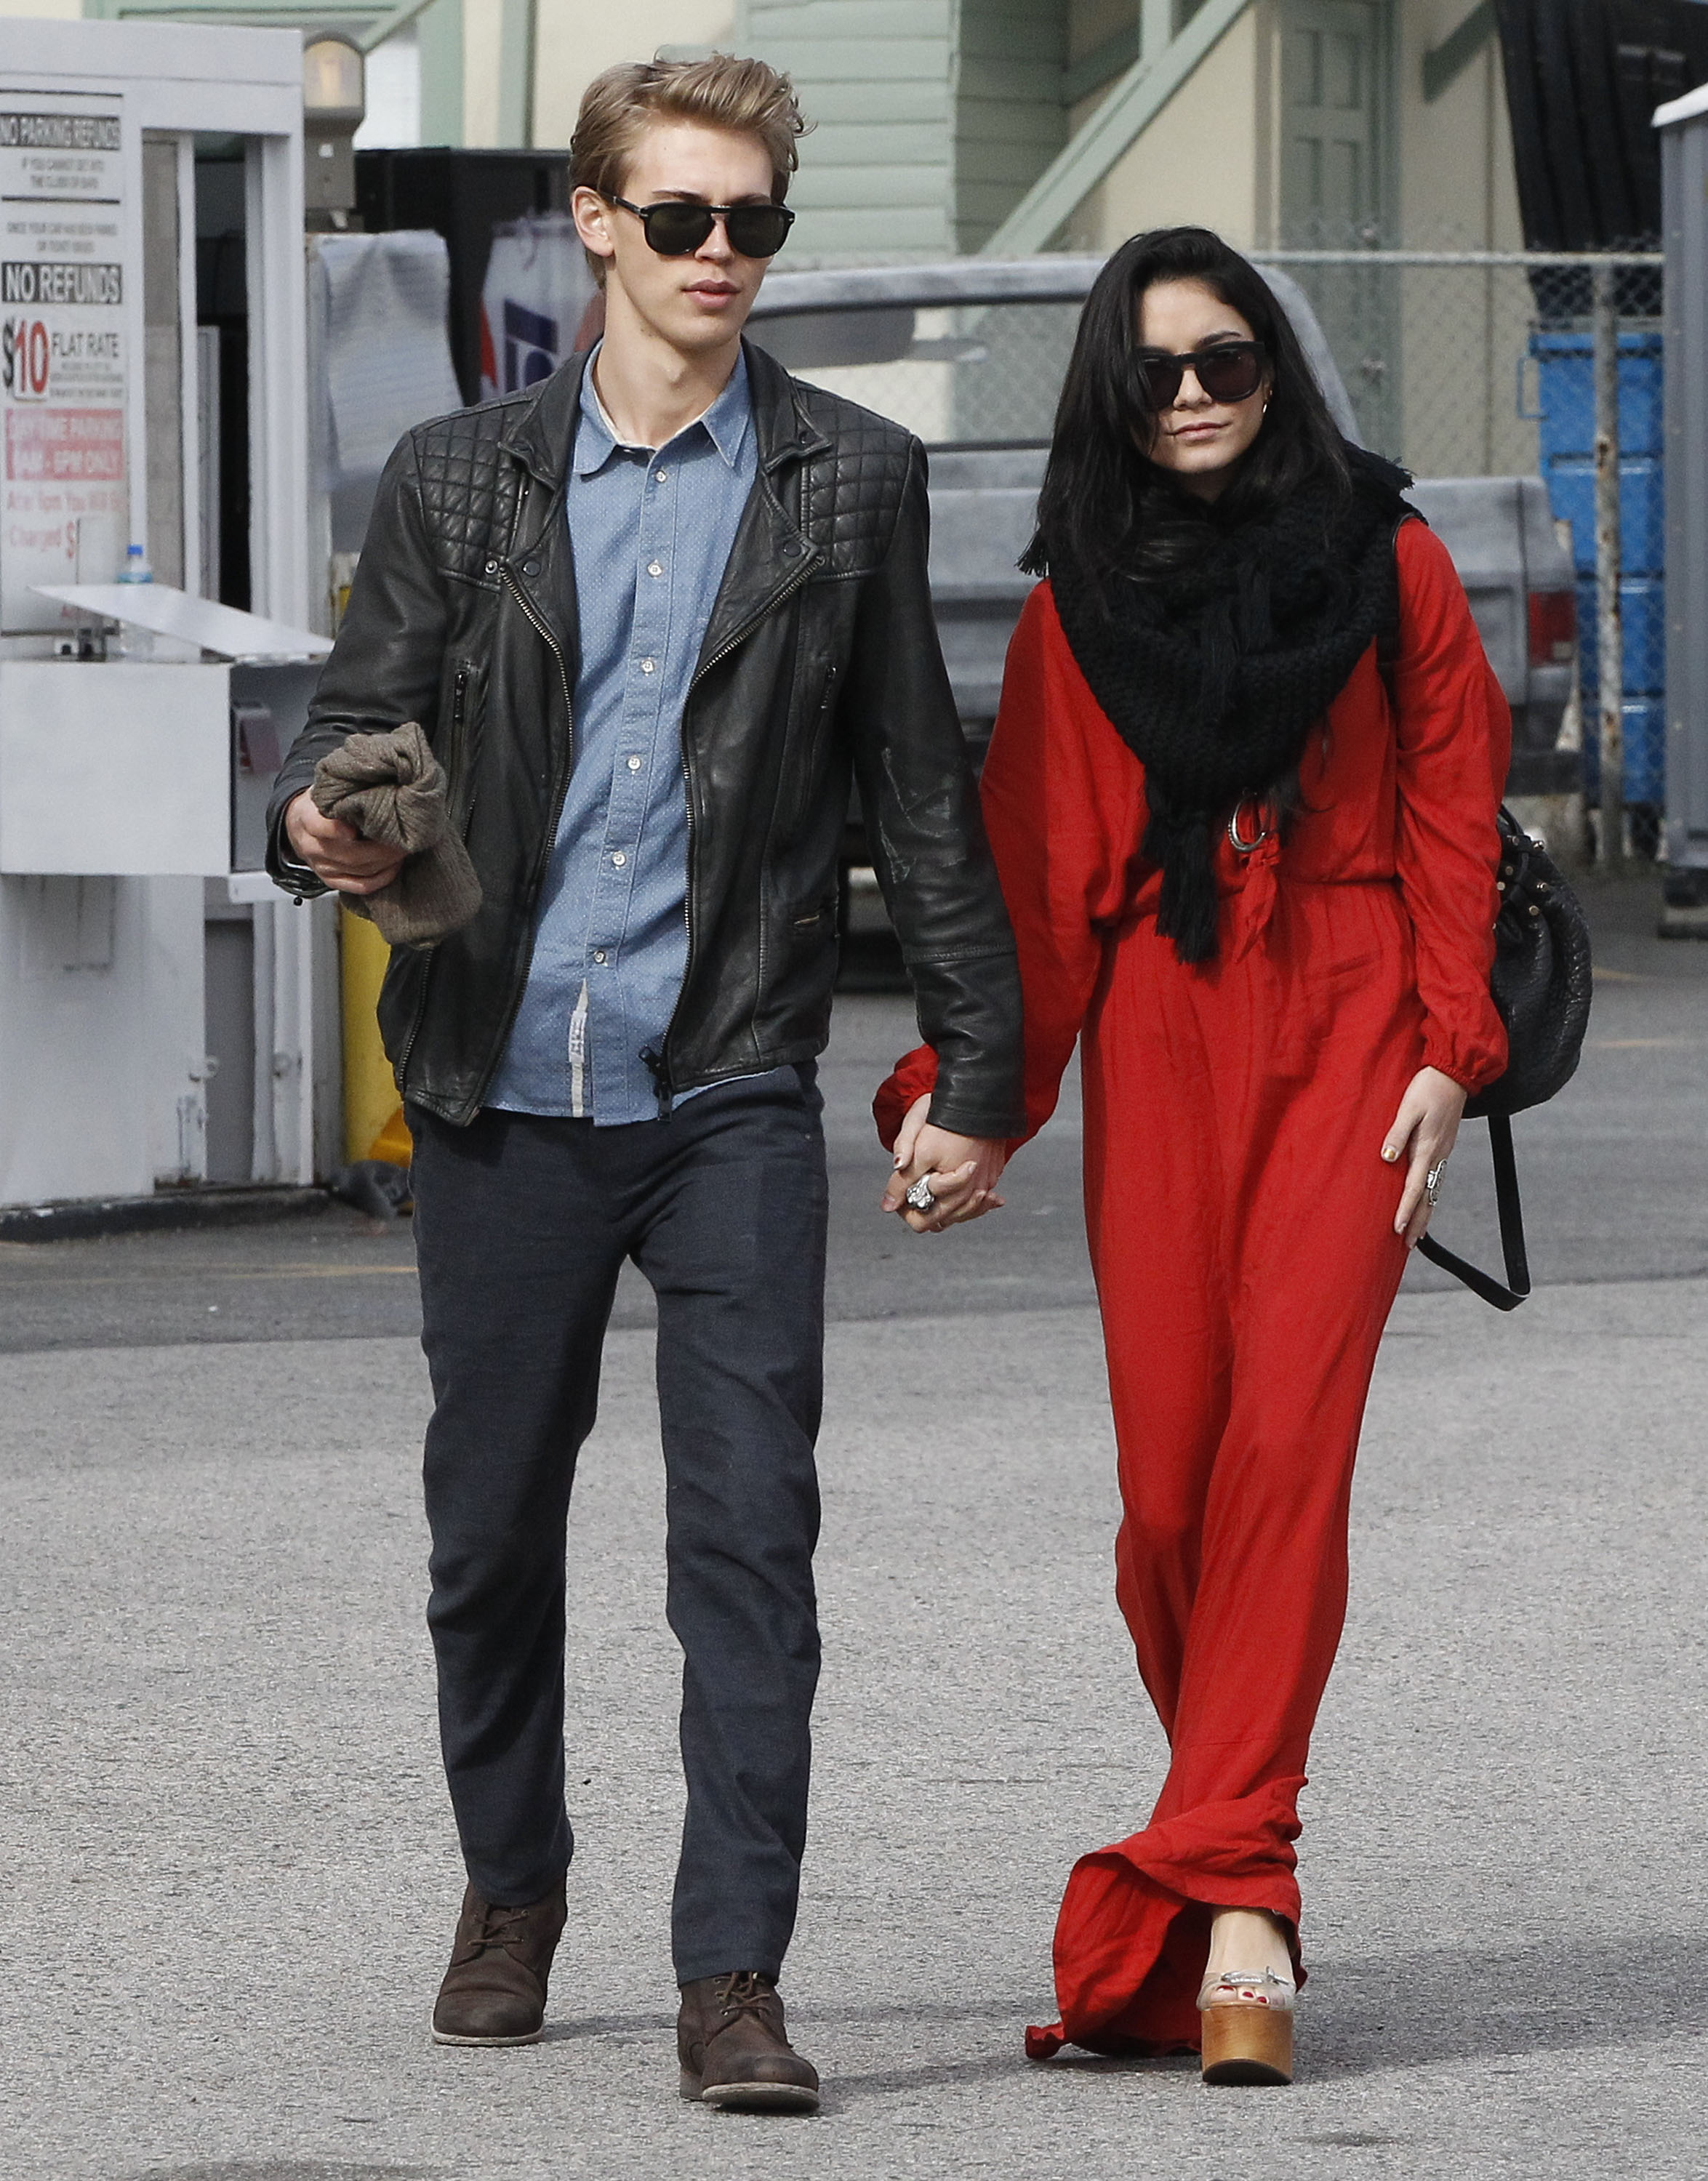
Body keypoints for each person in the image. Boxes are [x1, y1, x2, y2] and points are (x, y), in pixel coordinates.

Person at [268, 53, 1022, 2113]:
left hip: (728, 1082)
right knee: (488, 1537)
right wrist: (319, 829)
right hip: (501, 1085)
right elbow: (350, 728)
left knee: (749, 1539)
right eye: (679, 216)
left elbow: (916, 788)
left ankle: (731, 1978)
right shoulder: (458, 478)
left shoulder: (850, 477)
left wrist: (977, 1065)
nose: (717, 254)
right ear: (593, 222)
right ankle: (511, 1892)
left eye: (750, 222)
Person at [877, 226, 1509, 2085]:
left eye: (1222, 360)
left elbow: (1453, 799)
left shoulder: (1385, 553)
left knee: (1285, 1452)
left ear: (1272, 368)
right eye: (1151, 373)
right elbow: (1037, 875)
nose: (1190, 398)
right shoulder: (1079, 602)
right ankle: (1234, 1856)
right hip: (1163, 1022)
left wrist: (1448, 1050)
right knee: (1168, 1492)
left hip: (1353, 1019)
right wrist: (966, 1093)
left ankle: (1236, 1915)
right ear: (1109, 394)